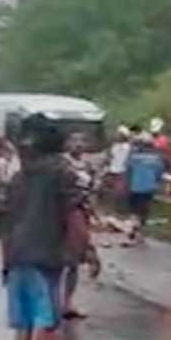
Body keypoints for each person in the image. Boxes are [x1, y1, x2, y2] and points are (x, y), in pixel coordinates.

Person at [4, 114, 78, 340]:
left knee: (23, 323)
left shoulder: (18, 177)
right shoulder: (63, 173)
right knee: (46, 325)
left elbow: (6, 217)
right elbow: (73, 215)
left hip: (17, 254)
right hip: (45, 256)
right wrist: (81, 251)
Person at [60, 132, 96, 320]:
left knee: (74, 260)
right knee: (60, 259)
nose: (79, 145)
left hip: (81, 212)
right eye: (74, 141)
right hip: (64, 214)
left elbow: (91, 191)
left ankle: (67, 302)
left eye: (82, 141)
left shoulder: (88, 166)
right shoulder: (62, 164)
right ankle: (54, 301)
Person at [125, 133, 166, 244]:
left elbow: (128, 170)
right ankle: (140, 233)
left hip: (134, 187)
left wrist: (127, 184)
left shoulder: (133, 158)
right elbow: (159, 173)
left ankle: (134, 225)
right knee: (144, 211)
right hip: (148, 188)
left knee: (134, 210)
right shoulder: (156, 159)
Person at [104, 125, 132, 211]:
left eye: (119, 134)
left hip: (121, 170)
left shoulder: (128, 147)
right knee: (112, 190)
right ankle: (113, 207)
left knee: (120, 191)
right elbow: (110, 157)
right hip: (113, 170)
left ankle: (120, 207)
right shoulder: (115, 146)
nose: (116, 136)